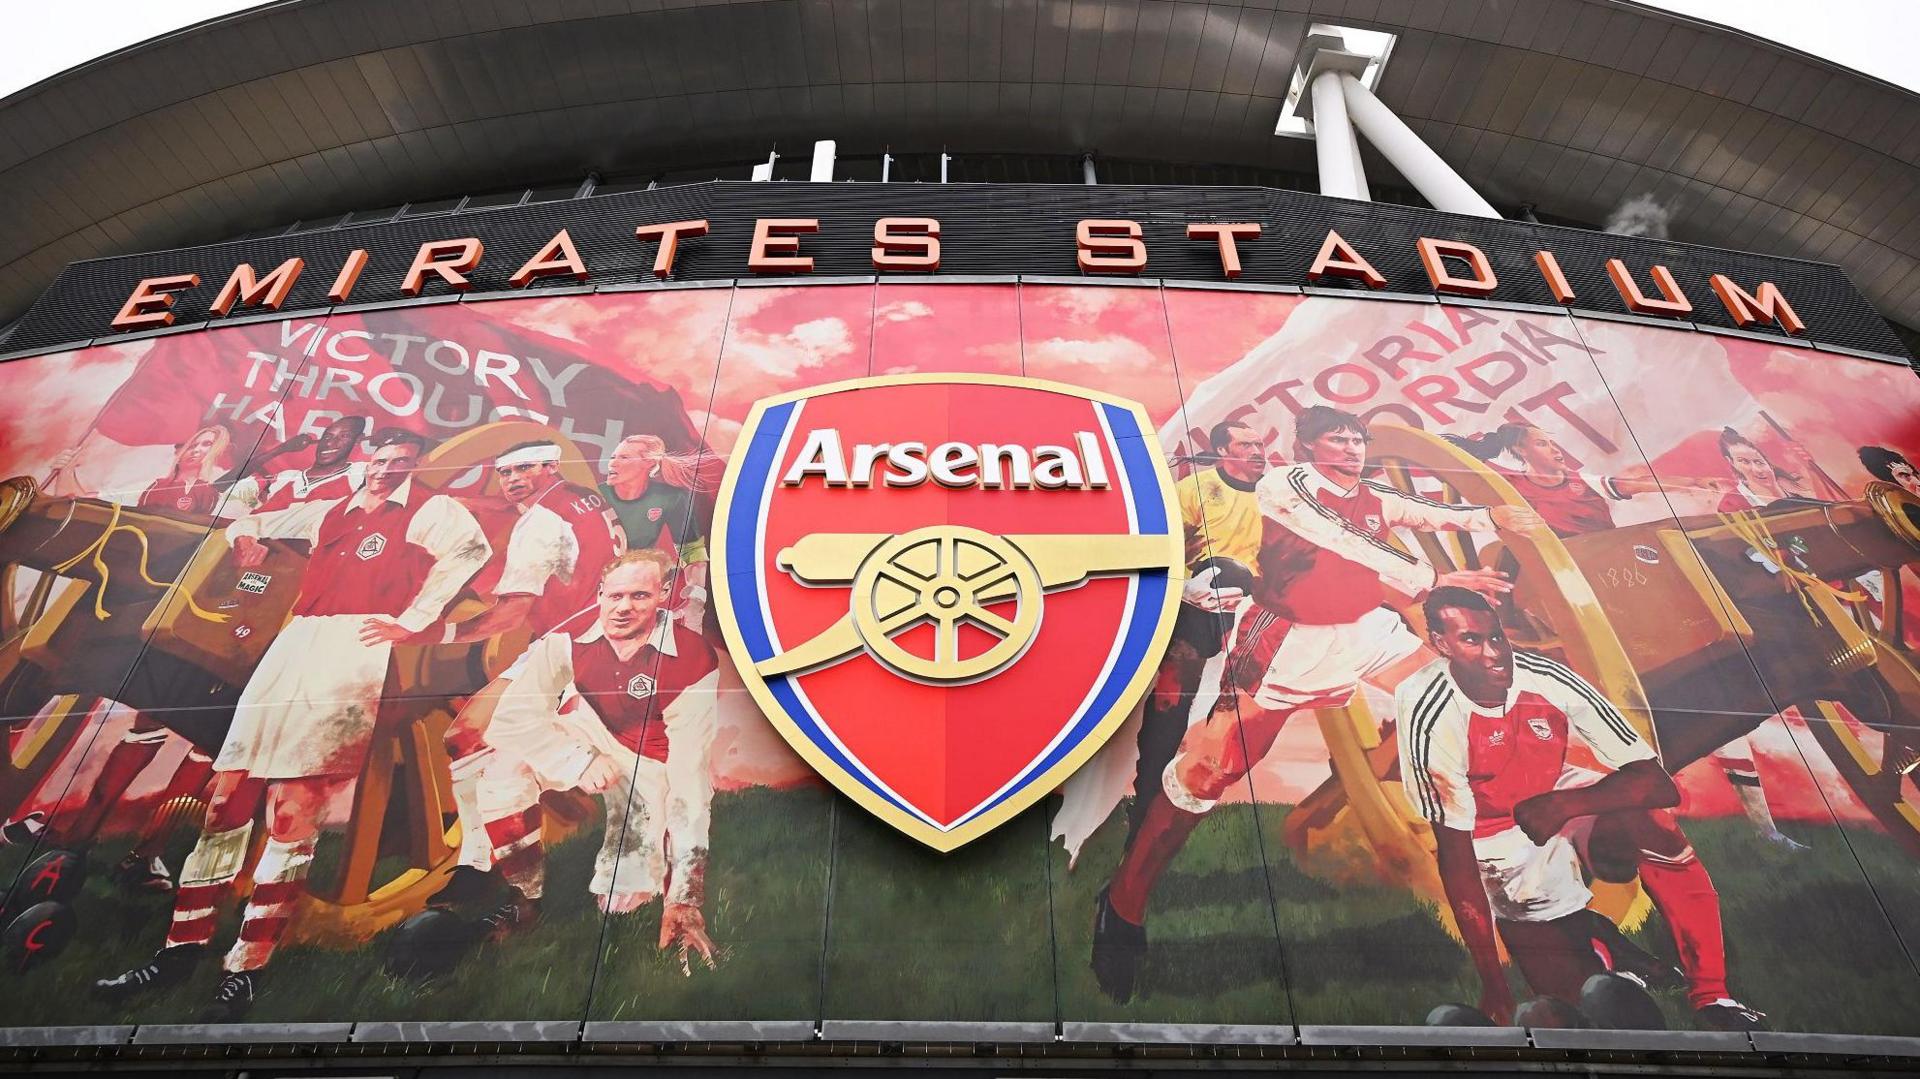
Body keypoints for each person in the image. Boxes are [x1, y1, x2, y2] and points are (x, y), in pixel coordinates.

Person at [1091, 405, 1544, 1002]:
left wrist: (1490, 514)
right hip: (1287, 640)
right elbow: (1342, 535)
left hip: (1366, 631)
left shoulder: (1372, 492)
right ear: (1305, 445)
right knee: (1207, 775)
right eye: (1338, 437)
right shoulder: (1287, 485)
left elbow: (1423, 511)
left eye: (1358, 438)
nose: (1352, 448)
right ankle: (1122, 906)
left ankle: (1536, 901)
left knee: (1471, 706)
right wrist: (1434, 582)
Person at [94, 430, 491, 1019]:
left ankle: (245, 968)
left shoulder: (431, 509)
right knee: (227, 799)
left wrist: (414, 620)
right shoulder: (335, 508)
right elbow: (249, 521)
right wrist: (245, 541)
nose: (386, 469)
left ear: (415, 466)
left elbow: (470, 553)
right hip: (294, 645)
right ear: (368, 461)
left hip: (355, 646)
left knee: (293, 809)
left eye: (400, 462)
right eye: (379, 459)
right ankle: (179, 952)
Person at [1397, 587, 1766, 1031]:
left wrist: (1567, 803)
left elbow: (1655, 784)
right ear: (1440, 644)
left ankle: (1713, 997)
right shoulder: (1427, 708)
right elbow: (1456, 856)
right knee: (1576, 1000)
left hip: (1555, 793)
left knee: (1650, 820)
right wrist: (1494, 986)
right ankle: (1602, 946)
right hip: (1491, 833)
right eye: (1472, 641)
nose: (1494, 653)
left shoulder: (1545, 677)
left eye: (1497, 637)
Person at [458, 550, 719, 968]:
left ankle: (643, 868)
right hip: (591, 730)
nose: (623, 608)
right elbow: (513, 716)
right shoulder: (567, 639)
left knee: (619, 904)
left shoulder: (693, 658)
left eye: (639, 595)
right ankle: (524, 899)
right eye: (614, 596)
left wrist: (685, 896)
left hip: (651, 759)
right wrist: (578, 760)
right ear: (600, 594)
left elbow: (689, 778)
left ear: (663, 595)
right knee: (502, 770)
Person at [437, 440, 624, 893]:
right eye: (505, 472)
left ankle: (506, 881)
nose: (512, 480)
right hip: (587, 631)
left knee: (487, 749)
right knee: (464, 736)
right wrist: (469, 503)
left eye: (524, 469)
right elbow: (518, 510)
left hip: (574, 645)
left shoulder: (541, 522)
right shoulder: (582, 496)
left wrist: (434, 633)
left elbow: (511, 614)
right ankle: (477, 863)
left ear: (550, 466)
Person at [1126, 420, 1267, 836]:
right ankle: (1146, 796)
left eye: (1260, 443)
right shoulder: (1195, 490)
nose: (1258, 451)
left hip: (1254, 611)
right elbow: (1161, 542)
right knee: (1170, 702)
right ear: (1224, 450)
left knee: (1232, 707)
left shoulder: (1282, 498)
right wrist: (1187, 588)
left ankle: (1188, 798)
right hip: (1199, 604)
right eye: (1247, 443)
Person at [1449, 423, 1720, 537]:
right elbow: (1463, 458)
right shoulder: (1512, 485)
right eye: (1543, 444)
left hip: (1611, 549)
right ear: (1522, 451)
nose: (1555, 450)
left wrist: (1691, 483)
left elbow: (1634, 484)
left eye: (1553, 443)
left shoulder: (1580, 481)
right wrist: (1483, 448)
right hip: (1570, 563)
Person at [601, 434, 711, 631]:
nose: (612, 463)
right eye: (613, 457)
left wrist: (695, 601)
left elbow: (692, 553)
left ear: (649, 463)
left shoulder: (672, 498)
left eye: (624, 458)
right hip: (594, 586)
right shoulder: (595, 494)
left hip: (635, 588)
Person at [47, 423, 231, 514]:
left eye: (206, 444)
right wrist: (66, 471)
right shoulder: (150, 488)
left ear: (217, 451)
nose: (197, 450)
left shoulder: (221, 494)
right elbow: (77, 503)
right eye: (192, 445)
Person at [225, 415, 369, 513]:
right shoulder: (286, 477)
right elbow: (221, 486)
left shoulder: (359, 473)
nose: (330, 443)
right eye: (327, 436)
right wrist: (280, 449)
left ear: (358, 440)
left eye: (344, 436)